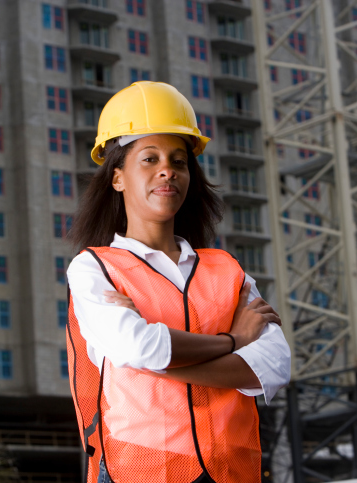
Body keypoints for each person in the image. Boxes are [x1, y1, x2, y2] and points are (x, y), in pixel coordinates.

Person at [65, 81, 291, 483]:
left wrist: (159, 364)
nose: (167, 169)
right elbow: (140, 346)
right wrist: (233, 342)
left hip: (232, 472)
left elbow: (273, 366)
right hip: (138, 471)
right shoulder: (94, 269)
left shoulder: (227, 270)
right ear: (117, 178)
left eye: (179, 160)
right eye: (149, 159)